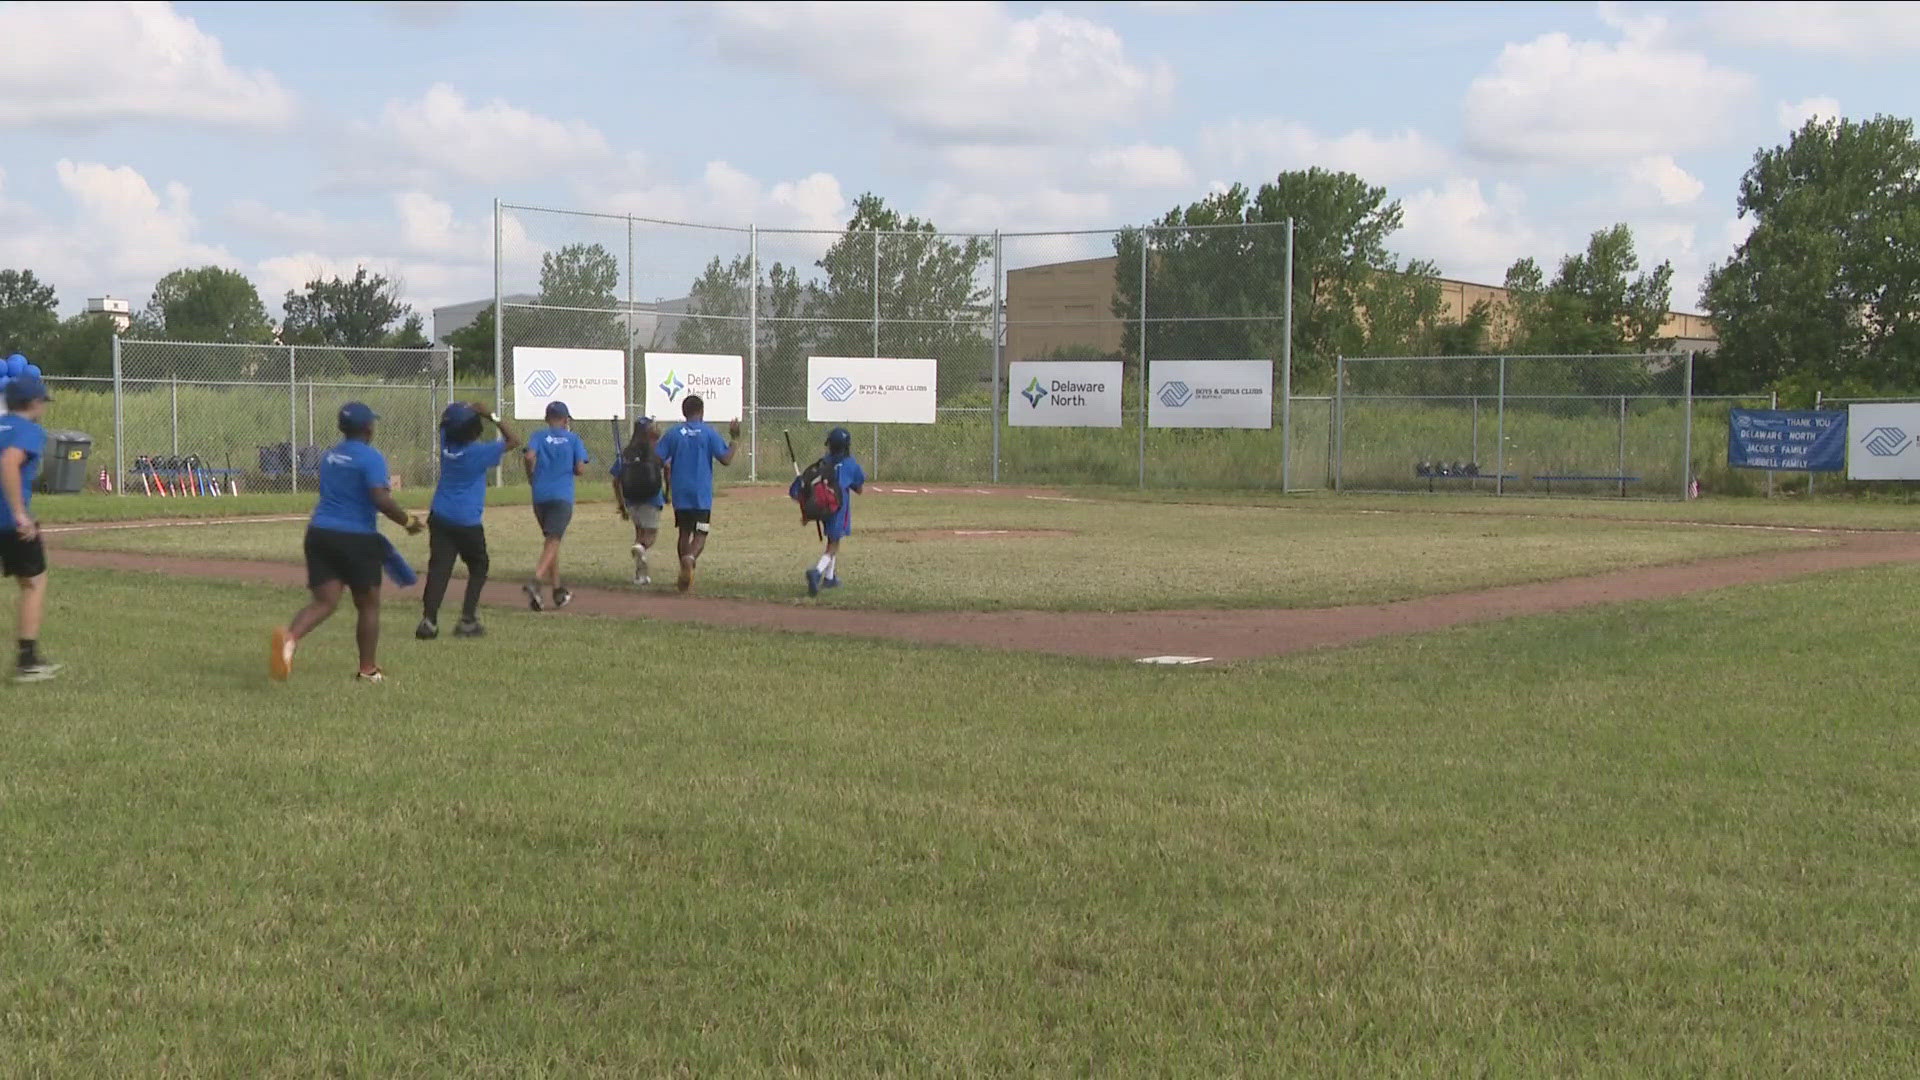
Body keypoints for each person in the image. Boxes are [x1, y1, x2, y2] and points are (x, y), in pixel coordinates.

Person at [271, 402, 424, 684]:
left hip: (319, 533)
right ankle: (368, 670)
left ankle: (290, 640)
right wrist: (408, 522)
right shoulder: (371, 458)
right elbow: (380, 499)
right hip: (356, 537)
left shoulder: (329, 456)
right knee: (367, 605)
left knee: (325, 601)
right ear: (368, 428)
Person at [417, 401, 519, 640]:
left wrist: (460, 414)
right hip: (466, 521)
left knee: (439, 569)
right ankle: (467, 620)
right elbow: (514, 441)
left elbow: (447, 422)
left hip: (440, 515)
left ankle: (429, 621)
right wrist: (490, 415)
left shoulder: (446, 445)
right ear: (475, 430)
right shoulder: (479, 453)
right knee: (479, 566)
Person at [0, 375, 59, 682]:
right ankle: (27, 660)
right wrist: (20, 514)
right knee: (33, 583)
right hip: (8, 522)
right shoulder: (30, 431)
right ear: (34, 403)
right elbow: (9, 462)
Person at [653, 394, 739, 593]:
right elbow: (726, 459)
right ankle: (689, 559)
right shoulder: (709, 432)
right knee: (701, 533)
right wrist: (734, 439)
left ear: (684, 412)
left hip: (680, 491)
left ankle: (685, 573)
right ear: (701, 412)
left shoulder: (673, 433)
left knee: (684, 532)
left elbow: (657, 459)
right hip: (701, 493)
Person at [522, 400, 589, 611]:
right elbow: (580, 468)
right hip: (561, 496)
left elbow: (529, 455)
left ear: (546, 418)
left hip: (540, 496)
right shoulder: (573, 439)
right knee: (553, 539)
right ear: (565, 419)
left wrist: (531, 476)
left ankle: (557, 590)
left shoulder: (538, 436)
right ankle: (536, 580)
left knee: (551, 542)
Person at [792, 426, 867, 597]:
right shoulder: (850, 463)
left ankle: (830, 578)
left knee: (832, 539)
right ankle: (817, 572)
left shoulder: (825, 460)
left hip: (824, 507)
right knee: (834, 544)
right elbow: (859, 488)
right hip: (839, 508)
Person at [610, 417, 665, 585]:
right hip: (652, 498)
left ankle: (640, 575)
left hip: (631, 499)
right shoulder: (655, 451)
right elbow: (666, 469)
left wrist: (621, 504)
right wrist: (668, 492)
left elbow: (616, 479)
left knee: (639, 534)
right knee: (650, 536)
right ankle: (642, 548)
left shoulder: (627, 453)